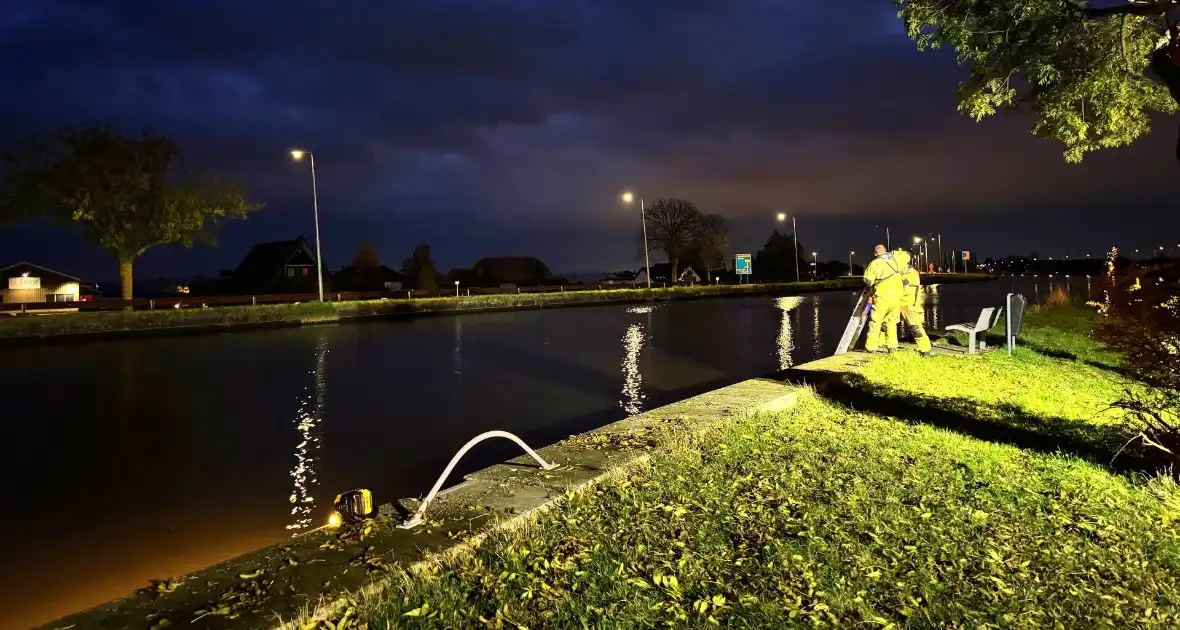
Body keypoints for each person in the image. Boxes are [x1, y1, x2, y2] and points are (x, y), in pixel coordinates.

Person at [862, 244, 903, 353]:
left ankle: (871, 347)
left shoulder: (875, 263)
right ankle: (892, 346)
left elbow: (868, 281)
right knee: (891, 322)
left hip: (882, 297)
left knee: (875, 322)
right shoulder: (896, 261)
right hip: (896, 297)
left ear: (875, 253)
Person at [893, 249, 933, 357]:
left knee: (916, 328)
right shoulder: (899, 273)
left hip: (909, 306)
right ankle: (883, 347)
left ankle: (925, 350)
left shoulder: (912, 274)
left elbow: (900, 283)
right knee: (887, 325)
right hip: (897, 304)